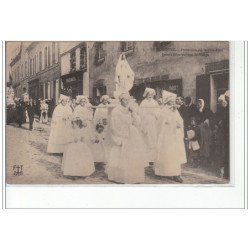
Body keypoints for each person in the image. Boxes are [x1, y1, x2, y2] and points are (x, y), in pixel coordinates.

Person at [107, 93, 148, 184]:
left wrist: (133, 112)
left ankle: (134, 177)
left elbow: (138, 122)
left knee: (134, 155)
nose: (127, 102)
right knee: (120, 155)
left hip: (132, 134)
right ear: (121, 100)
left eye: (128, 100)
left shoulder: (130, 110)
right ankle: (120, 177)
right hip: (121, 135)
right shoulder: (116, 111)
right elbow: (113, 126)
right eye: (125, 100)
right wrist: (119, 137)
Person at [155, 91, 186, 183]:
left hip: (174, 136)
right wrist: (170, 122)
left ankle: (176, 174)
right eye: (171, 101)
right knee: (167, 154)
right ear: (167, 101)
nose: (173, 103)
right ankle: (164, 172)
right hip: (166, 136)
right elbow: (161, 122)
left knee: (175, 155)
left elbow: (180, 120)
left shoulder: (175, 110)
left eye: (173, 101)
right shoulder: (163, 110)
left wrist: (179, 124)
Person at [139, 88, 160, 163]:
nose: (150, 95)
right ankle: (146, 158)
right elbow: (140, 113)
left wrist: (154, 114)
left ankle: (153, 158)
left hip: (153, 123)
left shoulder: (155, 102)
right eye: (149, 94)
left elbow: (158, 113)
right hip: (146, 122)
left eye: (151, 94)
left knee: (153, 139)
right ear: (146, 94)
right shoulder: (143, 103)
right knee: (146, 139)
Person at [196, 99, 213, 168]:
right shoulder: (197, 110)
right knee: (200, 144)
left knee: (205, 145)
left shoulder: (207, 110)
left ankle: (206, 162)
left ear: (202, 103)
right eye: (197, 104)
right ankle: (200, 161)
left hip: (206, 130)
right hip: (199, 130)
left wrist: (207, 121)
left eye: (199, 104)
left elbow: (210, 117)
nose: (198, 105)